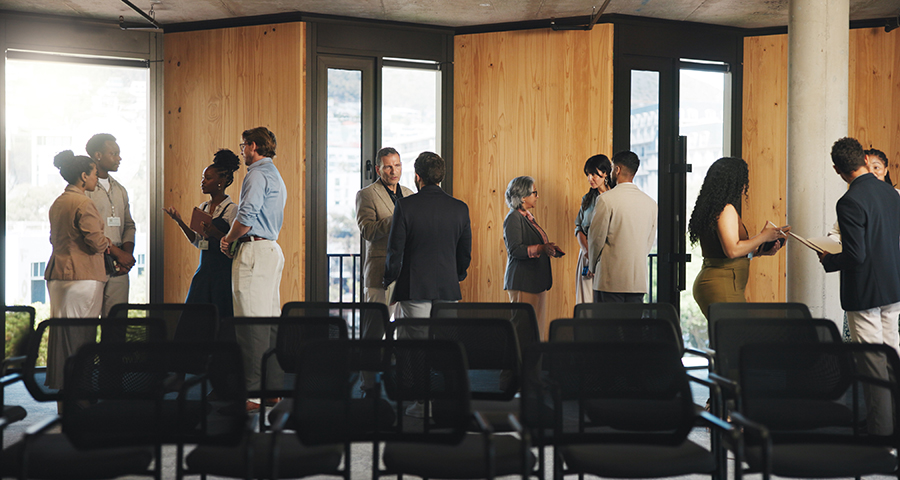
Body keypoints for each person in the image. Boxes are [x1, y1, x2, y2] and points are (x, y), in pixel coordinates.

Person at [820, 137, 900, 435]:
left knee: (872, 363)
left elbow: (855, 255)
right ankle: (894, 428)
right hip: (892, 286)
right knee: (892, 357)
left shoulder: (850, 201)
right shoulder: (891, 193)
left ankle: (881, 434)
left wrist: (829, 260)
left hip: (865, 291)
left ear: (837, 169)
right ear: (865, 160)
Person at [44, 151, 128, 393]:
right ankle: (78, 393)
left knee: (63, 338)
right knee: (82, 339)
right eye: (93, 174)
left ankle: (64, 395)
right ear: (83, 176)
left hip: (58, 275)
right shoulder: (83, 203)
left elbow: (53, 238)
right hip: (82, 277)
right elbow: (97, 242)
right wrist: (114, 249)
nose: (95, 179)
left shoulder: (59, 202)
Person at [220, 127, 286, 412]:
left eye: (244, 146)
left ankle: (253, 396)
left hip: (254, 251)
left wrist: (228, 239)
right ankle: (271, 391)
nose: (242, 151)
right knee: (269, 325)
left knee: (251, 326)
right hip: (270, 250)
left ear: (254, 146)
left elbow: (246, 216)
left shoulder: (256, 174)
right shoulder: (274, 173)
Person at [688, 157, 789, 319]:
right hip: (723, 284)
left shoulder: (714, 209)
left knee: (730, 333)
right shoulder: (726, 210)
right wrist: (763, 236)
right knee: (737, 332)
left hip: (717, 281)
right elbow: (732, 250)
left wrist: (758, 252)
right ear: (733, 181)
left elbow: (724, 251)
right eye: (743, 180)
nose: (745, 185)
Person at [383, 151, 472, 330]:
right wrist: (457, 275)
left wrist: (390, 280)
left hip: (414, 287)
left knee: (417, 340)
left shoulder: (405, 206)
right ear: (441, 177)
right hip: (448, 285)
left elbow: (395, 250)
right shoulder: (460, 208)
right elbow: (464, 252)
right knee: (445, 339)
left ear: (418, 176)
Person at [355, 147, 414, 394]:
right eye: (388, 166)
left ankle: (404, 381)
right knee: (374, 330)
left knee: (406, 331)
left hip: (407, 271)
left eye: (397, 165)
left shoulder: (410, 194)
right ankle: (368, 383)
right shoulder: (366, 194)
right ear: (379, 169)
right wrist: (398, 217)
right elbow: (367, 231)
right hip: (379, 271)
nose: (393, 171)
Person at [164, 149, 241, 327]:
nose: (203, 182)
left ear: (220, 182)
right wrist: (179, 222)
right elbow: (198, 241)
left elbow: (235, 244)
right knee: (194, 319)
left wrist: (215, 232)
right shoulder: (203, 207)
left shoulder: (232, 210)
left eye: (208, 178)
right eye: (202, 178)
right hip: (204, 270)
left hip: (223, 273)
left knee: (220, 319)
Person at [587, 151, 658, 303]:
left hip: (609, 280)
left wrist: (593, 267)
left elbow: (596, 239)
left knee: (607, 320)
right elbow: (649, 241)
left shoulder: (606, 200)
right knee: (633, 320)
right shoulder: (651, 203)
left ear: (617, 169)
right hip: (637, 281)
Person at [503, 176, 563, 341]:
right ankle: (519, 359)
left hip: (535, 281)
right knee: (523, 331)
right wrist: (541, 248)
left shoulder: (526, 217)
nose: (537, 196)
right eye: (534, 193)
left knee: (535, 330)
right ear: (523, 196)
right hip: (524, 282)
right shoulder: (513, 218)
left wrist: (548, 249)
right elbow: (515, 249)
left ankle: (534, 358)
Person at [84, 133, 136, 317]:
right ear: (98, 155)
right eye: (114, 154)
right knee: (88, 322)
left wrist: (126, 256)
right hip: (93, 261)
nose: (119, 158)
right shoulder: (85, 190)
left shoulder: (120, 190)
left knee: (117, 322)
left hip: (119, 266)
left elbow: (129, 225)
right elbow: (87, 231)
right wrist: (118, 253)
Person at [574, 154, 612, 304]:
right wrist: (587, 252)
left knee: (606, 303)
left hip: (609, 257)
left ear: (605, 173)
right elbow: (579, 228)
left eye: (594, 174)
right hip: (587, 255)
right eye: (588, 175)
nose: (590, 178)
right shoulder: (587, 199)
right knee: (586, 301)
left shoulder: (615, 198)